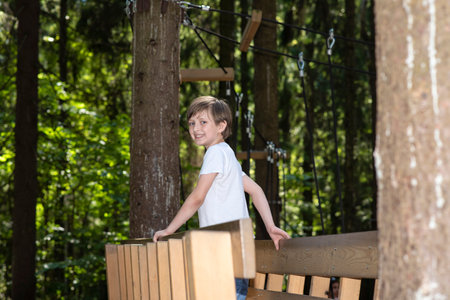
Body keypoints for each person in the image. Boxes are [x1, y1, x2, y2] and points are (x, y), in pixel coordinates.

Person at [153, 96, 290, 300]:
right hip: (236, 250)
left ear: (221, 125)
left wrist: (169, 230)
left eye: (203, 122)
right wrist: (270, 226)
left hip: (224, 251)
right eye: (191, 123)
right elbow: (256, 190)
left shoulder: (215, 153)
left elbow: (197, 197)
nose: (195, 128)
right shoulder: (229, 155)